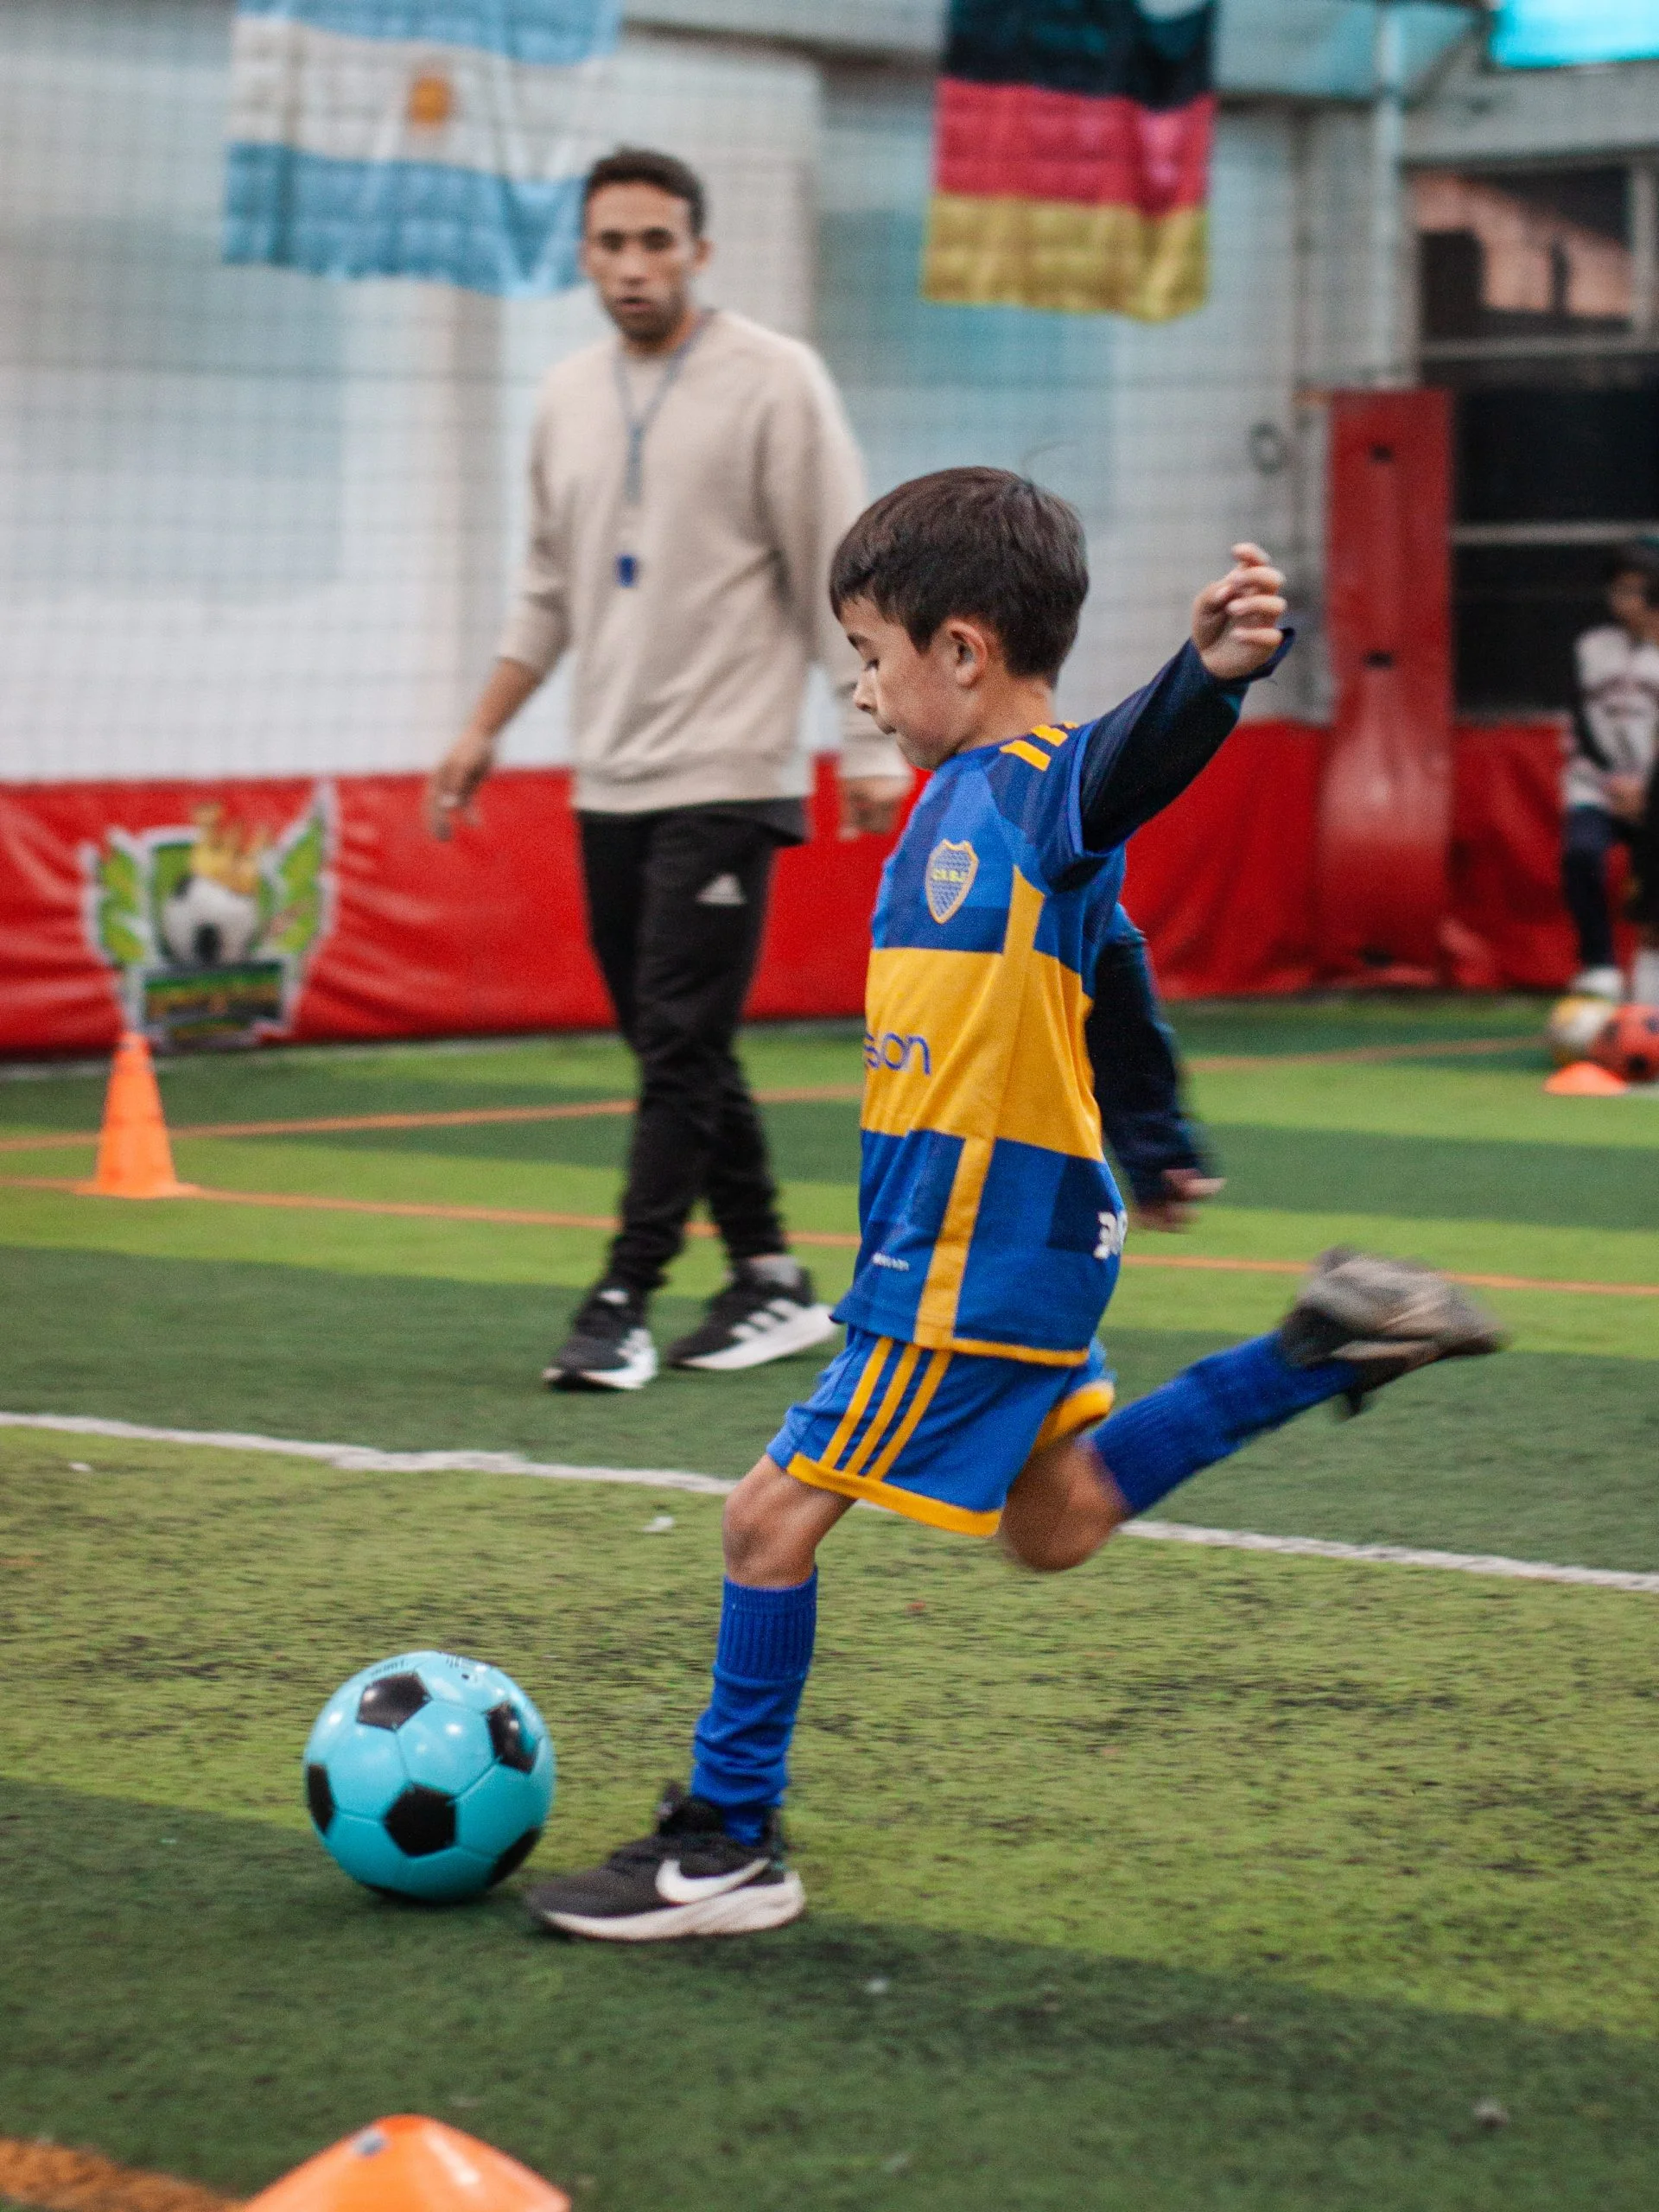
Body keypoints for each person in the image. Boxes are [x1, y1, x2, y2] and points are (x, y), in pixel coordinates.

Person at [521, 473, 1505, 1942]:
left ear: (964, 652)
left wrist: (1209, 679)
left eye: (872, 656)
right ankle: (1310, 1350)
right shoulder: (966, 809)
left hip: (970, 1253)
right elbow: (1116, 972)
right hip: (1017, 1246)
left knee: (763, 1522)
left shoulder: (1035, 782)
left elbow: (1131, 760)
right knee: (1054, 1523)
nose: (862, 694)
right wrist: (1159, 1137)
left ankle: (729, 1843)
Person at [427, 148, 910, 1392]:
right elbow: (547, 592)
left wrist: (868, 739)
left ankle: (620, 1301)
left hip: (730, 770)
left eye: (656, 241)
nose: (634, 265)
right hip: (610, 777)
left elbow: (839, 576)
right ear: (583, 256)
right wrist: (481, 728)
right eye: (611, 244)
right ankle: (769, 1277)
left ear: (699, 250)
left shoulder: (774, 382)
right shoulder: (565, 397)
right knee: (670, 1043)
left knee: (681, 1043)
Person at [1560, 541, 1659, 1002]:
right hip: (1599, 786)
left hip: (1652, 792)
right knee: (1582, 853)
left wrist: (1648, 787)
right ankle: (1599, 965)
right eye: (1619, 591)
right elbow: (1581, 718)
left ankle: (1646, 991)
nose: (1628, 602)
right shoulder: (1592, 646)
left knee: (1650, 892)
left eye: (1638, 592)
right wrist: (1614, 780)